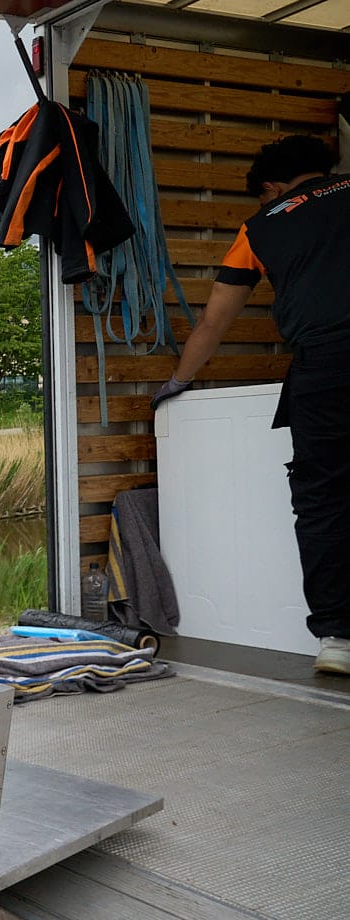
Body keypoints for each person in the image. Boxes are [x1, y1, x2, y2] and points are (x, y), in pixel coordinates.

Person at [150, 134, 350, 676]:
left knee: (324, 501)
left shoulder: (259, 227)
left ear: (271, 187)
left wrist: (177, 381)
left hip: (324, 371)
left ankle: (336, 636)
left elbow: (215, 320)